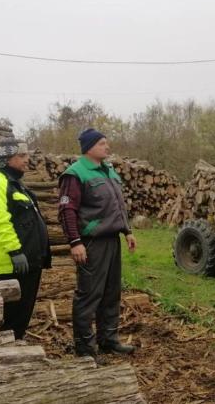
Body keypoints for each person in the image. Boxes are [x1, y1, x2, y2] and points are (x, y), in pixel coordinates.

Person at [58, 128, 138, 359]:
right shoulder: (75, 174)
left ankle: (108, 340)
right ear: (89, 147)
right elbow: (67, 210)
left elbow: (118, 205)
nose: (107, 146)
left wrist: (127, 231)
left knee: (111, 293)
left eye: (107, 143)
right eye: (103, 143)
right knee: (89, 295)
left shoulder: (109, 172)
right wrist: (75, 242)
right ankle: (85, 349)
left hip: (112, 241)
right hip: (91, 243)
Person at [0, 138, 51, 339]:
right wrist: (15, 251)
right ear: (5, 159)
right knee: (10, 317)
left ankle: (16, 346)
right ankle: (7, 352)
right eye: (21, 156)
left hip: (28, 263)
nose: (26, 160)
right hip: (10, 265)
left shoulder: (17, 185)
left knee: (22, 314)